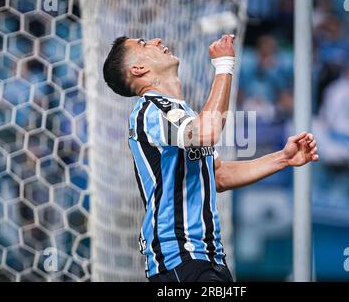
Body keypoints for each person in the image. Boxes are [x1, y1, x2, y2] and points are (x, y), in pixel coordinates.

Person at [102, 35, 319, 282]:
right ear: (138, 69)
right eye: (143, 43)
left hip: (208, 256)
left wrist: (283, 158)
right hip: (179, 255)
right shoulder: (149, 111)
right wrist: (224, 65)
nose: (156, 40)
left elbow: (217, 176)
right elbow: (207, 133)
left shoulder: (182, 115)